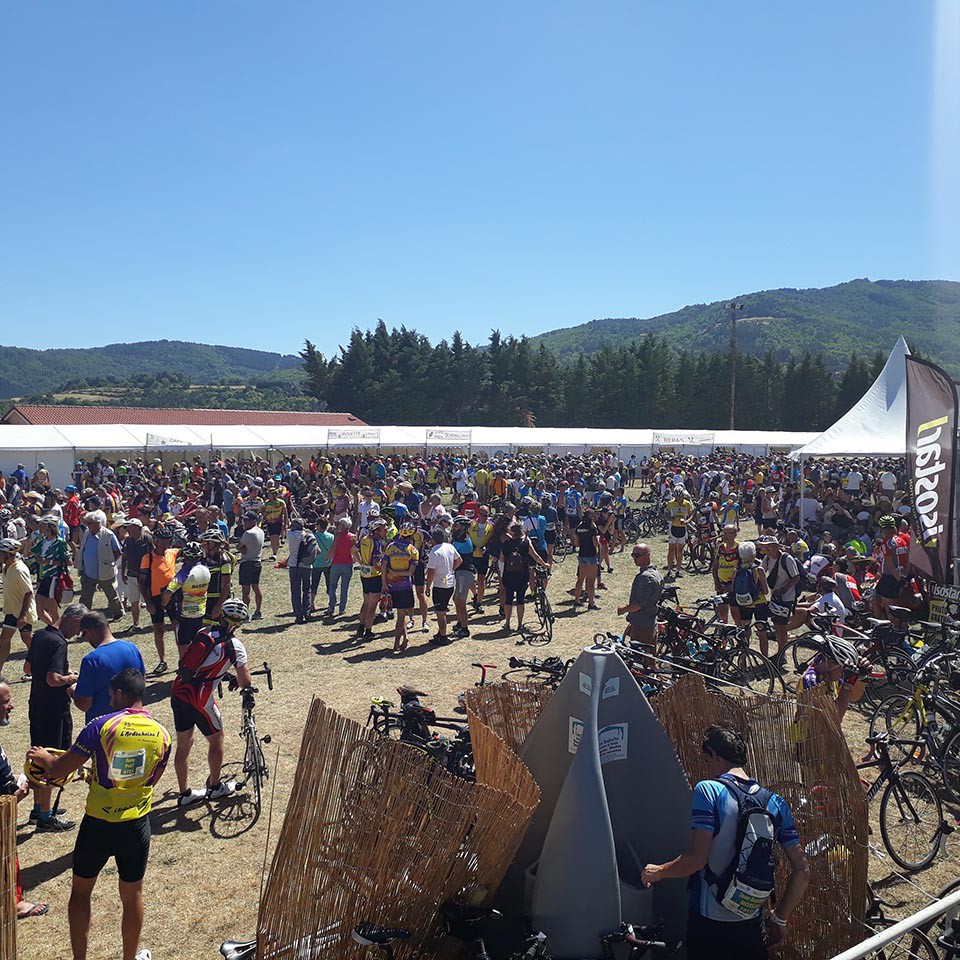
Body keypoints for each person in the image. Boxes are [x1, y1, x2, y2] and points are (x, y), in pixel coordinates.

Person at [27, 667, 170, 960]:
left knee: (80, 893)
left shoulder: (100, 725)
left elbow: (56, 770)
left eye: (110, 695)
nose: (109, 699)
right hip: (136, 825)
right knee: (133, 897)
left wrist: (42, 757)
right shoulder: (162, 733)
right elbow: (151, 779)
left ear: (119, 694)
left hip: (98, 824)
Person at [641, 725, 810, 960]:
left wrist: (658, 872)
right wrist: (780, 919)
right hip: (751, 926)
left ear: (715, 755)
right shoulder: (776, 802)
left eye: (707, 761)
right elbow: (803, 870)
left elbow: (696, 860)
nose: (709, 768)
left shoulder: (709, 790)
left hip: (710, 925)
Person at [171, 598, 253, 806]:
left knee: (183, 746)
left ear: (221, 616)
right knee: (216, 741)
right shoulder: (235, 645)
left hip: (179, 693)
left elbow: (199, 665)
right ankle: (215, 787)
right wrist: (238, 679)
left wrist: (223, 676)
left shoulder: (204, 633)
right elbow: (245, 681)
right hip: (201, 700)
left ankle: (184, 793)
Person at [27, 604, 87, 831]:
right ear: (73, 620)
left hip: (37, 706)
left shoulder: (40, 635)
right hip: (54, 710)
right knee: (51, 761)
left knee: (38, 757)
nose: (79, 634)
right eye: (79, 629)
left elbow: (28, 667)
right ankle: (45, 816)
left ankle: (38, 807)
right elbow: (53, 679)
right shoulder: (59, 642)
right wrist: (70, 678)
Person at [72, 612, 146, 723]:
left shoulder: (92, 660)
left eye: (84, 635)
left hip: (104, 727)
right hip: (134, 721)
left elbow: (84, 704)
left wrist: (73, 692)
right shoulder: (132, 648)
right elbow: (142, 683)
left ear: (88, 632)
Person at [138, 525, 178, 674]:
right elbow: (141, 581)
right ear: (155, 541)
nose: (164, 545)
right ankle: (163, 660)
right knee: (158, 630)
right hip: (155, 598)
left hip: (172, 596)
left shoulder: (172, 553)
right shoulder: (147, 558)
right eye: (161, 541)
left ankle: (183, 657)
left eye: (167, 541)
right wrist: (148, 602)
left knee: (177, 627)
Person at [76, 511, 123, 622]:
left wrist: (109, 563)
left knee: (111, 594)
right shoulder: (87, 534)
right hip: (88, 572)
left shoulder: (108, 535)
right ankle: (83, 616)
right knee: (85, 596)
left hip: (104, 571)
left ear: (98, 523)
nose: (88, 525)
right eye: (87, 523)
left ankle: (118, 613)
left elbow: (117, 552)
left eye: (90, 523)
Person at [0, 538, 37, 677]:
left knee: (28, 641)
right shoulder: (7, 567)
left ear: (8, 554)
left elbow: (28, 593)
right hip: (11, 611)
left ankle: (38, 667)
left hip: (23, 613)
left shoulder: (19, 570)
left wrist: (22, 616)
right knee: (4, 640)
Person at [617, 543, 662, 653]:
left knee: (642, 660)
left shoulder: (646, 577)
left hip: (642, 625)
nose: (635, 558)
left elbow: (638, 605)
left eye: (638, 555)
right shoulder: (655, 573)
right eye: (633, 555)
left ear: (648, 555)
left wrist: (623, 609)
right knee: (649, 658)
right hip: (649, 621)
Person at [382, 520, 420, 652]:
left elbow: (383, 566)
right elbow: (410, 572)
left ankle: (399, 642)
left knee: (400, 616)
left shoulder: (391, 546)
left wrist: (384, 583)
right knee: (401, 616)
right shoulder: (413, 551)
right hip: (404, 587)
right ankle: (401, 641)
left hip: (391, 586)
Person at [32, 515, 71, 626]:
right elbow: (30, 552)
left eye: (43, 525)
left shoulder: (59, 542)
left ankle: (57, 630)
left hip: (54, 577)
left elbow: (68, 562)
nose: (40, 527)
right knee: (39, 608)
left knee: (52, 608)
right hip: (45, 577)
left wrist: (48, 562)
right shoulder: (43, 541)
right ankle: (54, 628)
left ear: (49, 527)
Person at [425, 527, 461, 644]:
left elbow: (431, 571)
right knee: (443, 610)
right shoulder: (450, 547)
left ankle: (443, 636)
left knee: (440, 613)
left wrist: (428, 586)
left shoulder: (434, 552)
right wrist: (451, 570)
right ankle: (441, 632)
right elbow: (459, 560)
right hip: (450, 583)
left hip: (440, 585)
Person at [118, 519, 152, 633]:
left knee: (150, 599)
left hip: (145, 575)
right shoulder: (128, 540)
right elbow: (124, 557)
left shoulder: (147, 539)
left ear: (138, 528)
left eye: (131, 527)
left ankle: (156, 621)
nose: (128, 530)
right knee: (134, 600)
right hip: (132, 574)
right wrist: (123, 572)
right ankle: (136, 623)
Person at [237, 511, 265, 620]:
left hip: (247, 562)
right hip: (257, 562)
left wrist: (241, 548)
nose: (244, 522)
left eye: (247, 520)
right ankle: (258, 611)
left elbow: (240, 547)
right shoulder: (261, 532)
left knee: (246, 590)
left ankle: (245, 613)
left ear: (253, 521)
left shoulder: (248, 533)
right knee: (256, 587)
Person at [326, 517, 355, 619]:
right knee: (344, 588)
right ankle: (342, 609)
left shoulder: (337, 536)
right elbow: (355, 551)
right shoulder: (352, 537)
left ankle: (331, 606)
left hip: (336, 564)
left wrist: (327, 558)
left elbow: (333, 549)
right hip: (347, 564)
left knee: (332, 586)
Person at [573, 507, 601, 610]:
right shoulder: (592, 527)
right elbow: (595, 543)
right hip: (591, 555)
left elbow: (576, 543)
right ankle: (591, 603)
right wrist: (597, 548)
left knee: (580, 579)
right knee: (591, 581)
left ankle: (576, 601)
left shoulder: (579, 527)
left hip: (582, 555)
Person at [664, 485, 694, 579]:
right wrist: (670, 518)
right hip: (673, 527)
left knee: (680, 551)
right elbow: (666, 514)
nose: (678, 498)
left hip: (682, 528)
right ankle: (669, 570)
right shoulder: (670, 503)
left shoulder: (687, 504)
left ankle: (678, 570)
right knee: (671, 550)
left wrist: (688, 521)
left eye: (680, 496)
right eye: (676, 497)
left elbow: (692, 513)